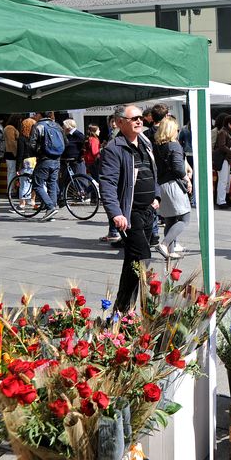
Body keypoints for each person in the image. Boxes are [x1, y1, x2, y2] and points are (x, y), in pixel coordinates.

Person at [100, 105, 160, 311]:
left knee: (132, 260)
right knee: (142, 256)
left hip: (148, 211)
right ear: (119, 123)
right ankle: (133, 307)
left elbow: (153, 171)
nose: (139, 121)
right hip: (129, 212)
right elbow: (107, 183)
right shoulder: (114, 148)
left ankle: (122, 308)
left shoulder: (145, 142)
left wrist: (157, 195)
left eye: (141, 117)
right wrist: (116, 213)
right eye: (133, 118)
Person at [153, 116, 191, 260]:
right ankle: (164, 244)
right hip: (173, 185)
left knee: (170, 219)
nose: (178, 130)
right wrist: (187, 179)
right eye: (176, 128)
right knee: (184, 219)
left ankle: (170, 250)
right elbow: (177, 167)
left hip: (162, 185)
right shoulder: (174, 145)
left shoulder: (157, 145)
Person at [31, 112, 65, 221]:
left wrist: (35, 153)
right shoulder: (57, 126)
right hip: (57, 160)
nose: (34, 116)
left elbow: (32, 144)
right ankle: (51, 212)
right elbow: (66, 141)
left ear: (40, 115)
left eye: (35, 114)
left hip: (44, 159)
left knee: (37, 184)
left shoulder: (38, 126)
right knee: (52, 184)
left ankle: (50, 207)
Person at [212, 114, 231, 208]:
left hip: (225, 159)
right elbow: (222, 146)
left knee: (225, 180)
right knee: (223, 181)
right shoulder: (223, 132)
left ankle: (223, 200)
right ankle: (221, 201)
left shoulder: (226, 132)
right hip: (222, 159)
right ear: (229, 124)